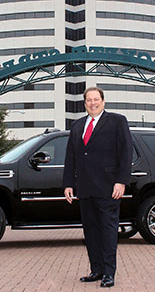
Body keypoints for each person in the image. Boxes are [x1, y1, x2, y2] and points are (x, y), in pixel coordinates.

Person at [63, 86, 133, 288]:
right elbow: (71, 157)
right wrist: (68, 183)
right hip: (84, 189)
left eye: (96, 99)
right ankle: (97, 270)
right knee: (91, 231)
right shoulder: (77, 126)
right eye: (88, 100)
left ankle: (109, 273)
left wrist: (121, 181)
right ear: (84, 103)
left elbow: (125, 153)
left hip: (108, 188)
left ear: (103, 101)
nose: (92, 103)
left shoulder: (117, 121)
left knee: (108, 231)